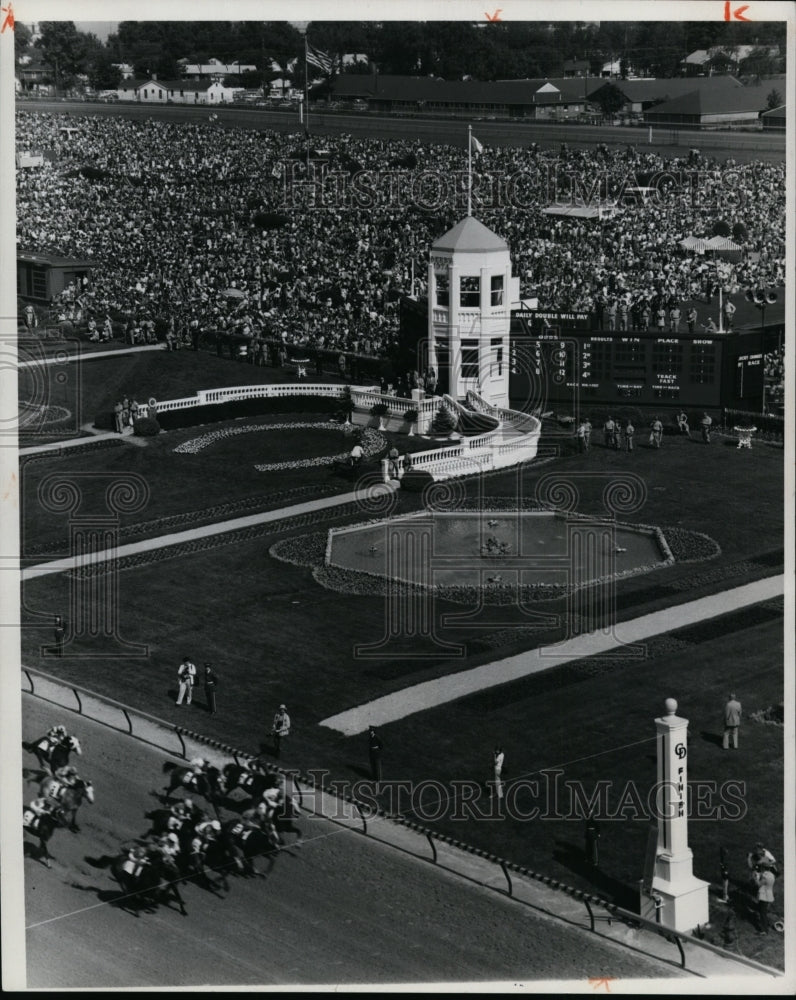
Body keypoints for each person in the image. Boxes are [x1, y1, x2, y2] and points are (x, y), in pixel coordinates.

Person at [753, 864, 775, 934]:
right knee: (761, 910)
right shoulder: (771, 875)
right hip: (768, 893)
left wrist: (756, 878)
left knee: (763, 913)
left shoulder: (765, 876)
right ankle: (765, 925)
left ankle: (764, 930)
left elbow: (759, 884)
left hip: (764, 895)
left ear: (763, 868)